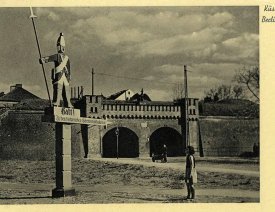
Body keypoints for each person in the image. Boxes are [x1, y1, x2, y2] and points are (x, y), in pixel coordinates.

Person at [39, 32, 72, 108]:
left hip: (65, 77)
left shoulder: (67, 58)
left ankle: (68, 104)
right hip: (59, 75)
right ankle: (56, 102)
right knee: (57, 89)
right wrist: (43, 60)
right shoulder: (57, 56)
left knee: (66, 91)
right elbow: (49, 58)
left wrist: (69, 76)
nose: (61, 48)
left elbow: (69, 68)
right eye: (60, 47)